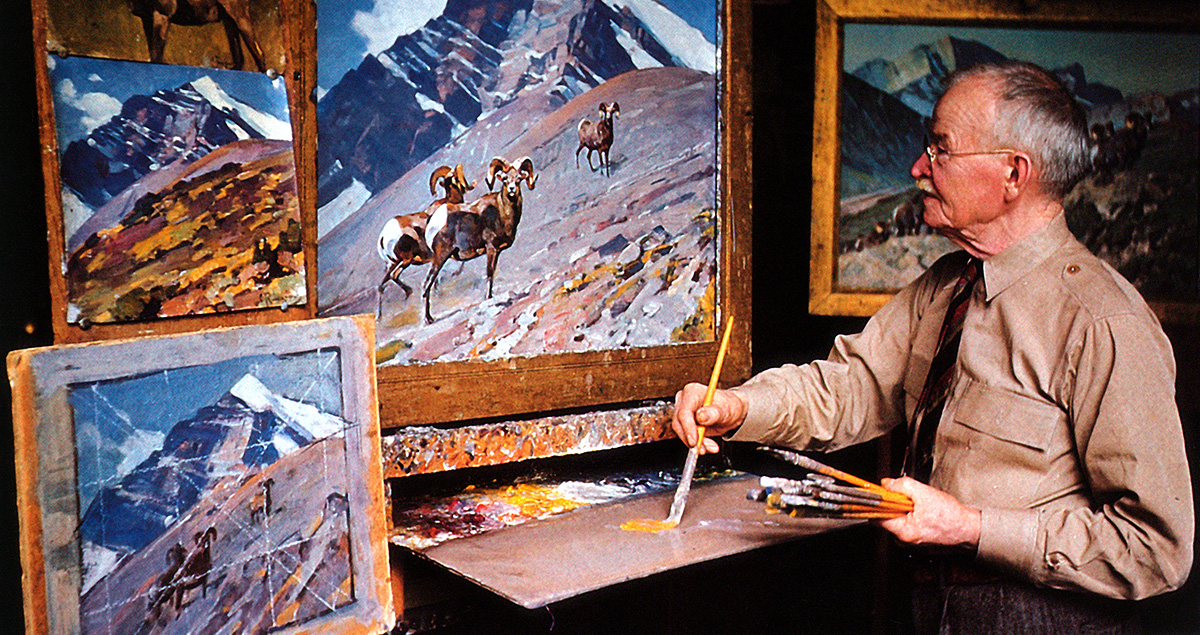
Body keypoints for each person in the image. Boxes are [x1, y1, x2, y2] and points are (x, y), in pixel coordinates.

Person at [673, 61, 1193, 633]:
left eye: (941, 149)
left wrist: (971, 527)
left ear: (1013, 176)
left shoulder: (1103, 323)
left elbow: (1154, 548)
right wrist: (738, 407)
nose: (919, 167)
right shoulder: (947, 287)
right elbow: (849, 388)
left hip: (1039, 617)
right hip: (923, 605)